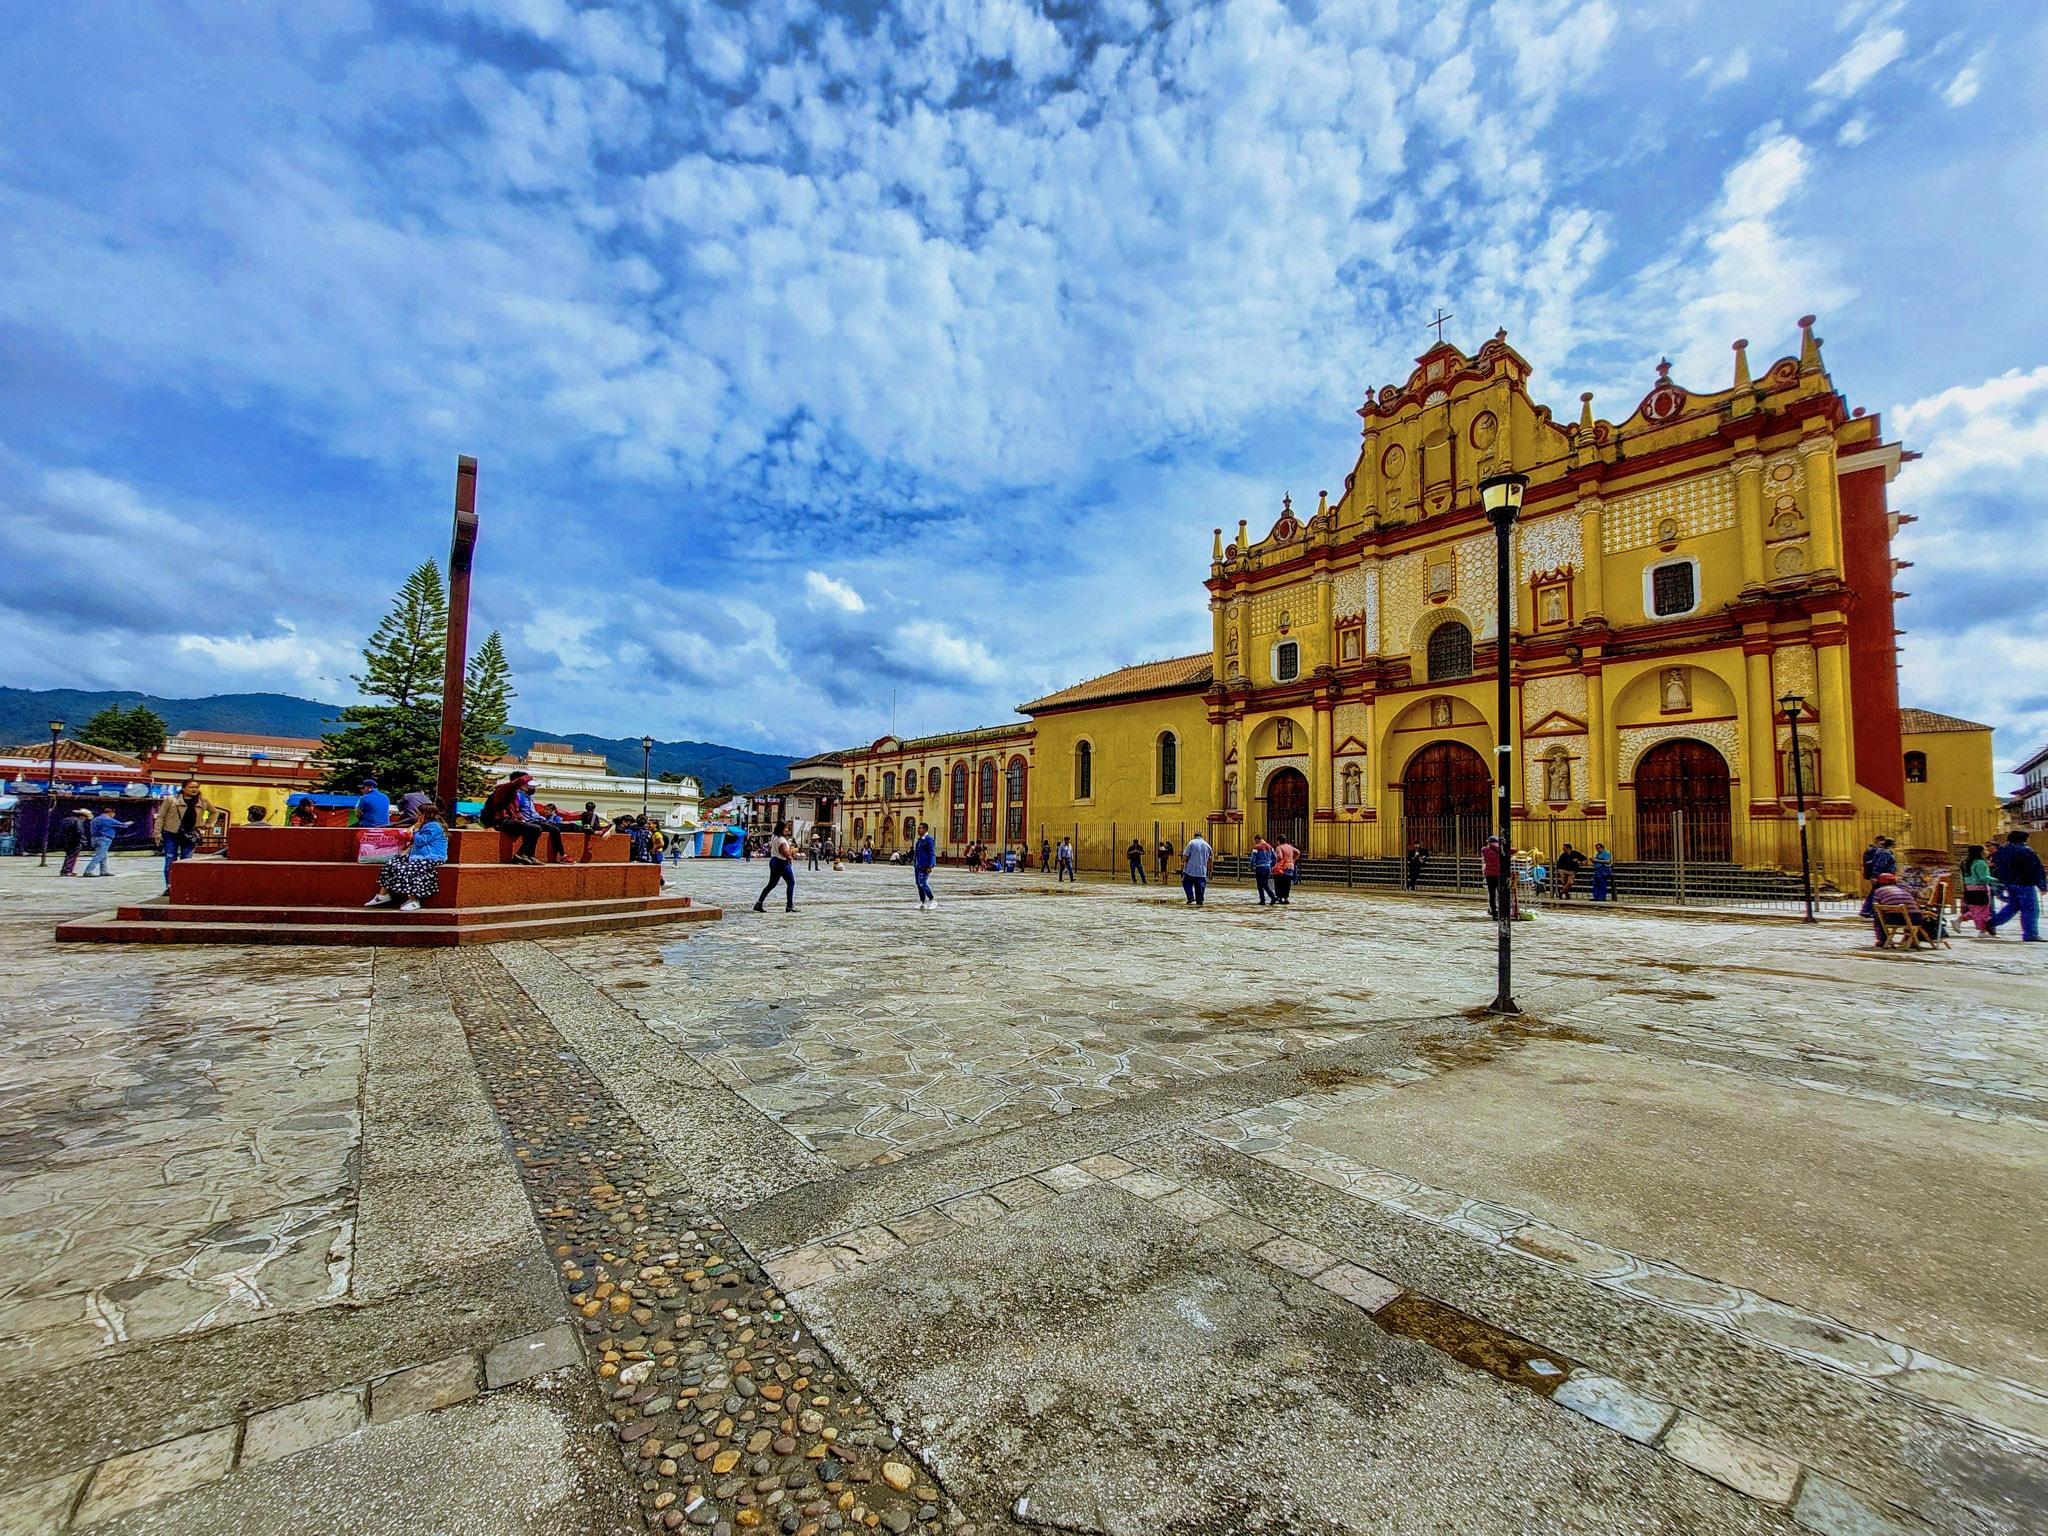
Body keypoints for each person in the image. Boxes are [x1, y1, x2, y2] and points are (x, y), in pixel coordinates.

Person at [364, 801, 449, 912]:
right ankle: (383, 895)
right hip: (418, 856)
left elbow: (420, 841)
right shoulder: (425, 824)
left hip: (432, 857)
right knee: (392, 864)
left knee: (409, 869)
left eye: (418, 813)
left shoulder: (434, 827)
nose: (416, 815)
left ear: (424, 814)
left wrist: (417, 828)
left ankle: (413, 900)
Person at [479, 771, 563, 865]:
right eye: (525, 784)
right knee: (534, 828)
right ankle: (523, 854)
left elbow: (516, 811)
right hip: (500, 822)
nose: (527, 786)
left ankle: (526, 855)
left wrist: (522, 820)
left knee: (534, 828)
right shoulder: (503, 789)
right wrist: (528, 777)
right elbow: (518, 781)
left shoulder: (514, 795)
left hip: (510, 821)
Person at [157, 779, 218, 889]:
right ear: (184, 788)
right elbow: (161, 817)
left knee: (186, 860)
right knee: (170, 860)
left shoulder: (203, 801)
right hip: (171, 833)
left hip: (191, 834)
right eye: (191, 787)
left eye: (196, 787)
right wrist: (157, 833)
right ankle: (169, 886)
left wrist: (210, 824)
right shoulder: (171, 800)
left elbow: (214, 812)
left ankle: (182, 885)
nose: (194, 789)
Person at [1986, 831, 2046, 941]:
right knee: (2030, 909)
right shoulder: (2026, 851)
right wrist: (2042, 885)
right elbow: (2036, 868)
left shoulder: (2002, 851)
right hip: (2024, 883)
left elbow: (1997, 867)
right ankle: (2030, 934)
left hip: (2009, 883)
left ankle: (1992, 922)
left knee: (2013, 906)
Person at [1868, 872, 1937, 946]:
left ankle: (1882, 940)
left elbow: (1875, 907)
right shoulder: (1904, 890)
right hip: (1916, 919)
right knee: (1907, 915)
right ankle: (1909, 940)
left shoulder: (1879, 891)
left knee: (1878, 917)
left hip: (1897, 919)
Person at [754, 819, 798, 913]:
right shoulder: (782, 840)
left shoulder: (774, 836)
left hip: (774, 861)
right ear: (782, 828)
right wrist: (791, 855)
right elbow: (785, 852)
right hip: (782, 863)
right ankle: (789, 905)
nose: (787, 829)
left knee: (771, 884)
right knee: (791, 882)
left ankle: (759, 903)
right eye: (786, 828)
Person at [81, 807, 131, 876]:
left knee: (104, 855)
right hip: (104, 839)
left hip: (94, 839)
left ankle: (103, 871)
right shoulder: (108, 820)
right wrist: (128, 823)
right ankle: (88, 871)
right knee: (100, 855)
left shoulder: (95, 819)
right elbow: (124, 826)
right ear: (111, 813)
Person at [1959, 844, 1996, 936]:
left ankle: (1960, 920)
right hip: (1981, 889)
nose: (1986, 852)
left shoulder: (1965, 862)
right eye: (1984, 850)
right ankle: (1982, 930)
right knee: (1983, 910)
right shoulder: (1980, 863)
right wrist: (1995, 880)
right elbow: (1983, 878)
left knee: (1976, 909)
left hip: (1969, 888)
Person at [1860, 836, 1897, 917]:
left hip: (1884, 876)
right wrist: (1875, 876)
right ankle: (1867, 910)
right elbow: (1879, 865)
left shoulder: (1883, 852)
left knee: (1876, 893)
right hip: (1883, 877)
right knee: (1876, 893)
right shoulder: (1885, 853)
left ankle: (1869, 910)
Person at [1180, 830, 1213, 906]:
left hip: (1191, 869)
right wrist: (1210, 868)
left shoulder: (1191, 843)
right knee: (1200, 886)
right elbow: (1210, 858)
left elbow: (1186, 855)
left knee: (1186, 883)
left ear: (1194, 836)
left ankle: (1190, 897)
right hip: (1202, 871)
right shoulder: (1207, 845)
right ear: (1201, 837)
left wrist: (1182, 863)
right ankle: (1200, 900)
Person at [54, 808, 88, 875]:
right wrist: (84, 840)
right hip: (74, 841)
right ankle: (67, 871)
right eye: (85, 817)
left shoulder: (66, 819)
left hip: (65, 840)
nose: (85, 819)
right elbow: (79, 831)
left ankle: (65, 870)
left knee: (68, 855)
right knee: (72, 856)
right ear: (82, 816)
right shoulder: (78, 821)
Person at [1481, 835, 1506, 920]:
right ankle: (1502, 911)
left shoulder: (1485, 850)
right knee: (1501, 893)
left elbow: (1484, 850)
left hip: (1489, 875)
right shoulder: (1502, 849)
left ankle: (1494, 913)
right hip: (1500, 874)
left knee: (1492, 894)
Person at [913, 820, 937, 907]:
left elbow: (932, 853)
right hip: (918, 866)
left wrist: (930, 865)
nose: (918, 830)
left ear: (925, 829)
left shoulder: (929, 839)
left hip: (925, 866)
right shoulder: (919, 840)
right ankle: (923, 902)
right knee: (918, 884)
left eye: (920, 828)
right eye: (918, 828)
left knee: (922, 883)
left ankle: (931, 899)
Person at [1272, 837, 1299, 904]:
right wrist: (1293, 860)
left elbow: (1280, 857)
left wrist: (1276, 861)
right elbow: (1298, 852)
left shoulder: (1279, 847)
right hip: (1290, 866)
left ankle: (1280, 898)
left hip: (1282, 867)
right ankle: (1286, 898)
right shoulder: (1290, 847)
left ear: (1278, 841)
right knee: (1287, 883)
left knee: (1279, 883)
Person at [1250, 837, 1276, 905]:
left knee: (1260, 884)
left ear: (1257, 840)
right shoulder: (1270, 847)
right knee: (1265, 883)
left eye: (1256, 841)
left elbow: (1253, 858)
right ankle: (1263, 899)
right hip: (1268, 867)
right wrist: (1271, 865)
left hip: (1260, 867)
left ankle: (1271, 897)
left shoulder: (1256, 847)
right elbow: (1275, 858)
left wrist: (1251, 865)